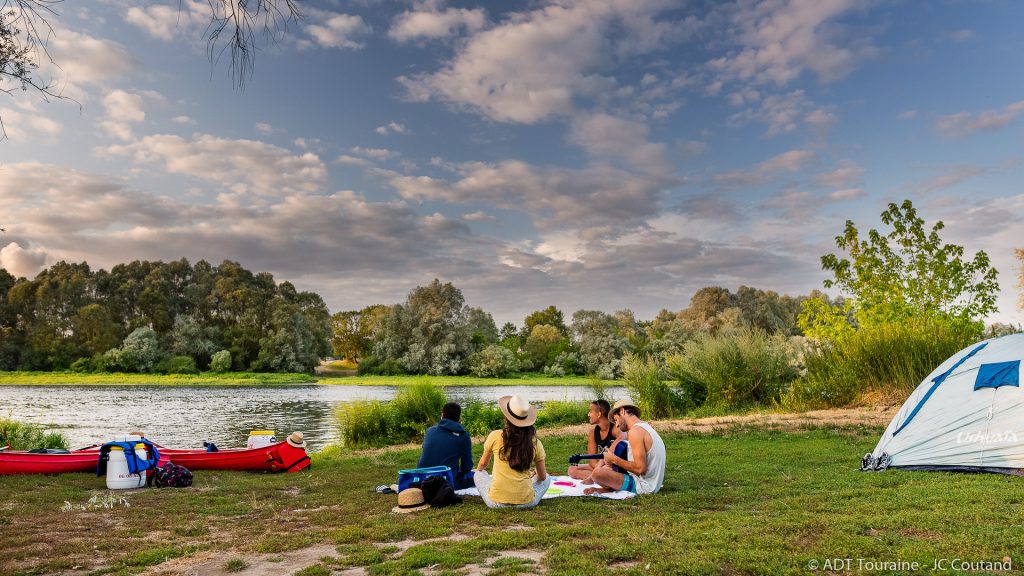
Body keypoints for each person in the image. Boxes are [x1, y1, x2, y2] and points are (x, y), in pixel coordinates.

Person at [473, 395, 552, 509]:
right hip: (526, 503)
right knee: (548, 477)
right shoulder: (535, 442)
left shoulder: (495, 436)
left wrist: (480, 470)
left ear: (506, 417)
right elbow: (542, 477)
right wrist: (533, 474)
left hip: (496, 503)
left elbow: (482, 465)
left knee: (478, 474)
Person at [584, 399, 666, 496]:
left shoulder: (635, 432)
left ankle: (612, 489)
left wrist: (614, 460)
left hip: (644, 486)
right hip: (653, 484)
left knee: (597, 474)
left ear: (622, 411)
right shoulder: (645, 427)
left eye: (616, 420)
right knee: (605, 470)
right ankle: (607, 490)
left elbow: (640, 469)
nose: (617, 425)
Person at [417, 402, 475, 490]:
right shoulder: (463, 435)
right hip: (446, 482)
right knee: (479, 476)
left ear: (442, 415)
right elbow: (467, 467)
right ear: (459, 418)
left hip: (422, 479)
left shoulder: (430, 430)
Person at [568, 399, 620, 481]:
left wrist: (601, 469)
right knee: (572, 469)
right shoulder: (593, 433)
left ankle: (601, 478)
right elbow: (592, 461)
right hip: (602, 466)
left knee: (604, 470)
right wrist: (599, 470)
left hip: (617, 467)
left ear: (599, 414)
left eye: (590, 411)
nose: (588, 414)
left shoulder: (615, 429)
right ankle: (601, 477)